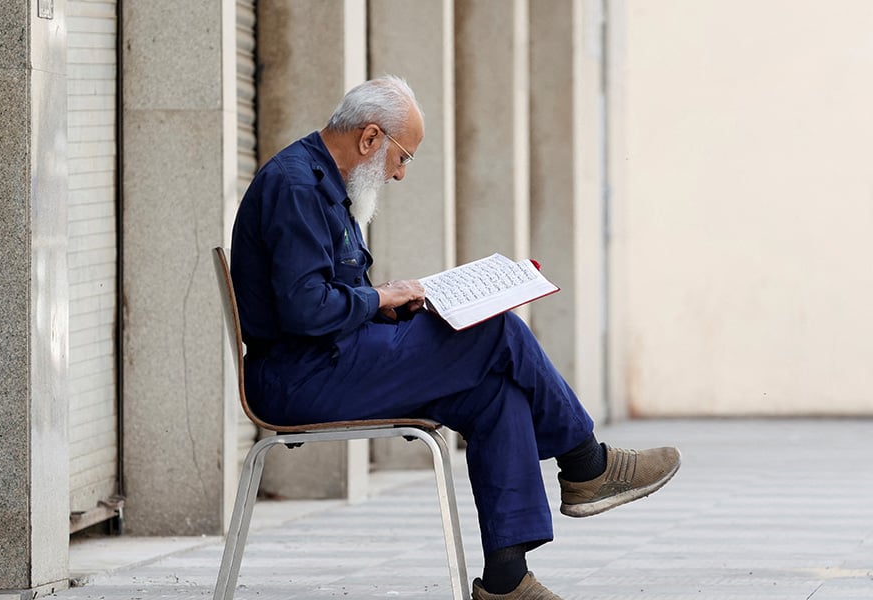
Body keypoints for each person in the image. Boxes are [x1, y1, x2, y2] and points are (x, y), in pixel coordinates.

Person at [228, 75, 680, 599]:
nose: (399, 174)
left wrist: (393, 308)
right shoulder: (296, 186)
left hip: (335, 360)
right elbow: (307, 310)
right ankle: (587, 463)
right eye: (403, 158)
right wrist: (384, 296)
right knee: (496, 329)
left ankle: (507, 582)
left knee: (495, 393)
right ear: (370, 138)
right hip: (299, 378)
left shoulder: (323, 184)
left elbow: (328, 300)